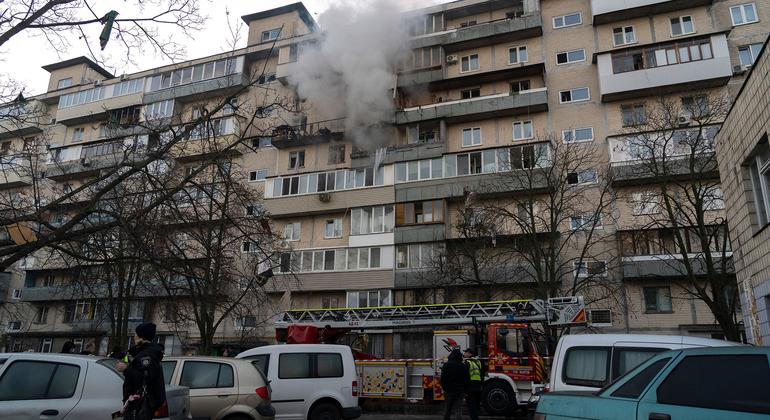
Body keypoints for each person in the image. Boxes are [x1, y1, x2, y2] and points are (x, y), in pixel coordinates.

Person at [120, 323, 166, 420]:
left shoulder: (146, 355)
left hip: (140, 406)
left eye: (135, 333)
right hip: (139, 404)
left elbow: (144, 377)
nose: (134, 336)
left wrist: (126, 370)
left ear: (140, 336)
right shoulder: (147, 353)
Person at [440, 348, 469, 420]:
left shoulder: (446, 365)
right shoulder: (463, 366)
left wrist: (444, 388)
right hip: (460, 391)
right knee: (458, 410)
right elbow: (466, 380)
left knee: (447, 409)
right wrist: (465, 391)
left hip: (449, 390)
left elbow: (443, 378)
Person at [464, 348, 482, 420]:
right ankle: (476, 416)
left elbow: (465, 375)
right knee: (476, 403)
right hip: (478, 384)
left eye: (466, 352)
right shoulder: (478, 362)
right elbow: (481, 373)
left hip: (470, 385)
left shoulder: (467, 362)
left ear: (470, 354)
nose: (464, 354)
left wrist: (465, 388)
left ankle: (474, 418)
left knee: (471, 404)